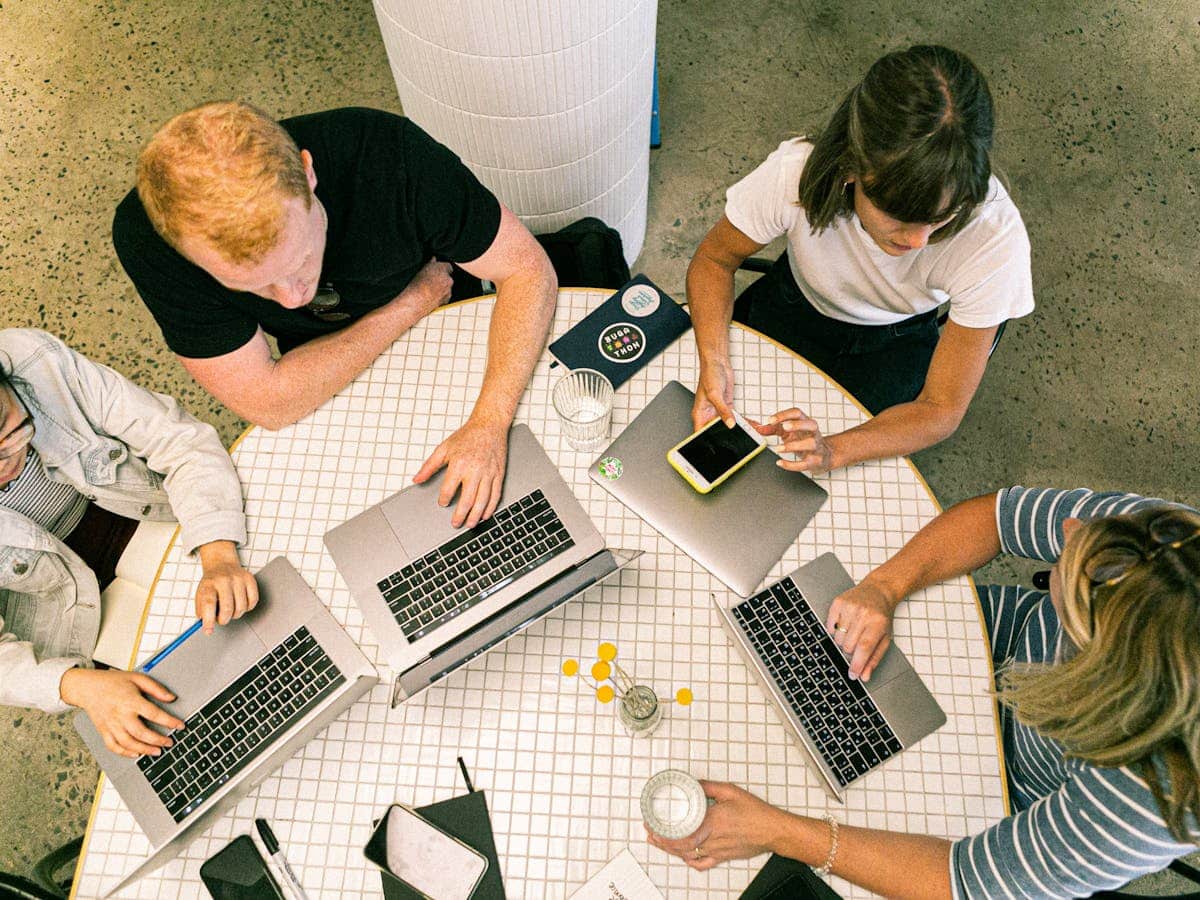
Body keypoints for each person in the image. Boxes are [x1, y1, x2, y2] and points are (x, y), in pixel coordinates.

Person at [648, 486, 1200, 897]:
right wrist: (885, 588)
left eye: (1081, 564)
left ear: (1096, 660)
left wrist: (780, 832)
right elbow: (997, 516)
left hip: (998, 798)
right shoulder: (1167, 548)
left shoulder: (1146, 803)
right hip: (980, 639)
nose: (1072, 527)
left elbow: (964, 883)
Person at [113, 102, 558, 529]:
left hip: (456, 323)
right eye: (253, 286)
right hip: (350, 355)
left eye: (300, 259)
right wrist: (411, 302)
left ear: (308, 175)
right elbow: (268, 403)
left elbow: (526, 270)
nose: (291, 300)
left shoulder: (387, 153)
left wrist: (488, 423)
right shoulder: (149, 238)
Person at [687, 45, 1033, 474]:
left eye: (943, 216)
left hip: (895, 343)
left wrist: (834, 450)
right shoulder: (795, 173)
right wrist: (715, 361)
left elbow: (941, 409)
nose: (920, 241)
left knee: (823, 482)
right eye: (899, 216)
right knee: (717, 432)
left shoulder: (994, 238)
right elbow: (715, 260)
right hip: (791, 304)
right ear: (850, 169)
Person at [0, 328, 256, 760]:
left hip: (141, 514)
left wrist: (217, 552)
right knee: (193, 731)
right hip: (61, 617)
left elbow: (178, 439)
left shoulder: (34, 360)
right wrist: (76, 684)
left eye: (8, 434)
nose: (5, 467)